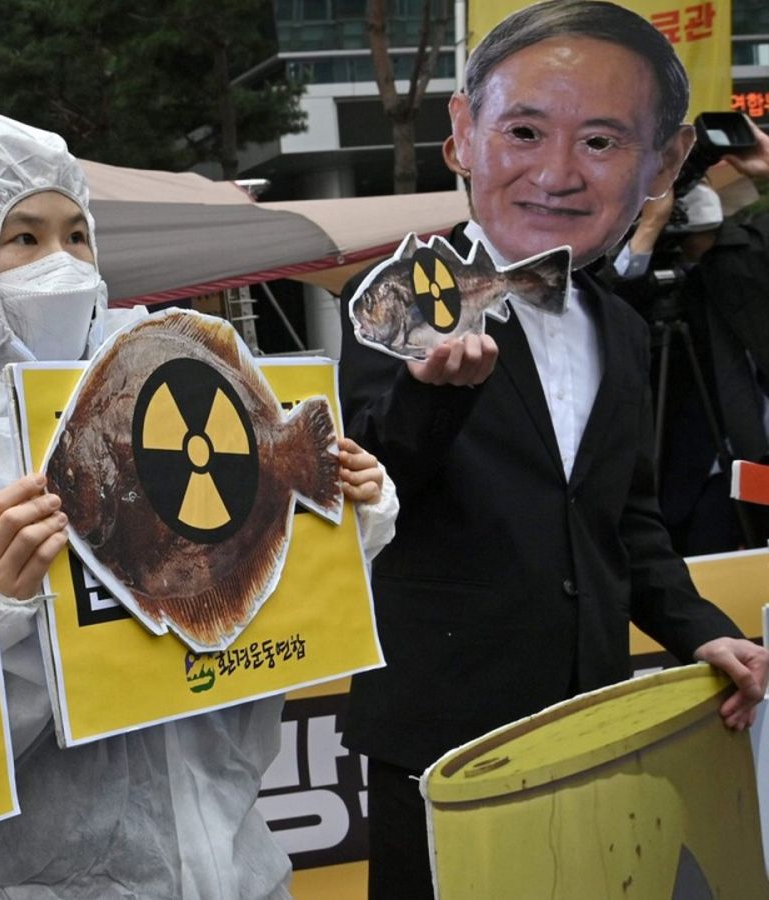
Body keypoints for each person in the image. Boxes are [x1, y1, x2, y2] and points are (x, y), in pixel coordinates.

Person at [0, 109, 398, 899]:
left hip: (238, 870)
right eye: (23, 239)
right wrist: (4, 616)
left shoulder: (161, 381)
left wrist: (338, 528)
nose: (59, 263)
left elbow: (247, 636)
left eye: (76, 235)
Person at [334, 3, 769, 897]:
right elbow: (367, 492)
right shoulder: (405, 297)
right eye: (525, 130)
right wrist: (430, 397)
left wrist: (704, 635)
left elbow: (626, 522)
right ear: (463, 134)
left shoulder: (619, 325)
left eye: (603, 142)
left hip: (592, 728)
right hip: (443, 745)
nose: (557, 174)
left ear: (664, 162)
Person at [611, 173, 769, 554]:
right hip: (687, 478)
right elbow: (611, 312)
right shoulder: (635, 287)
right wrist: (648, 228)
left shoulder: (746, 262)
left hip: (758, 465)